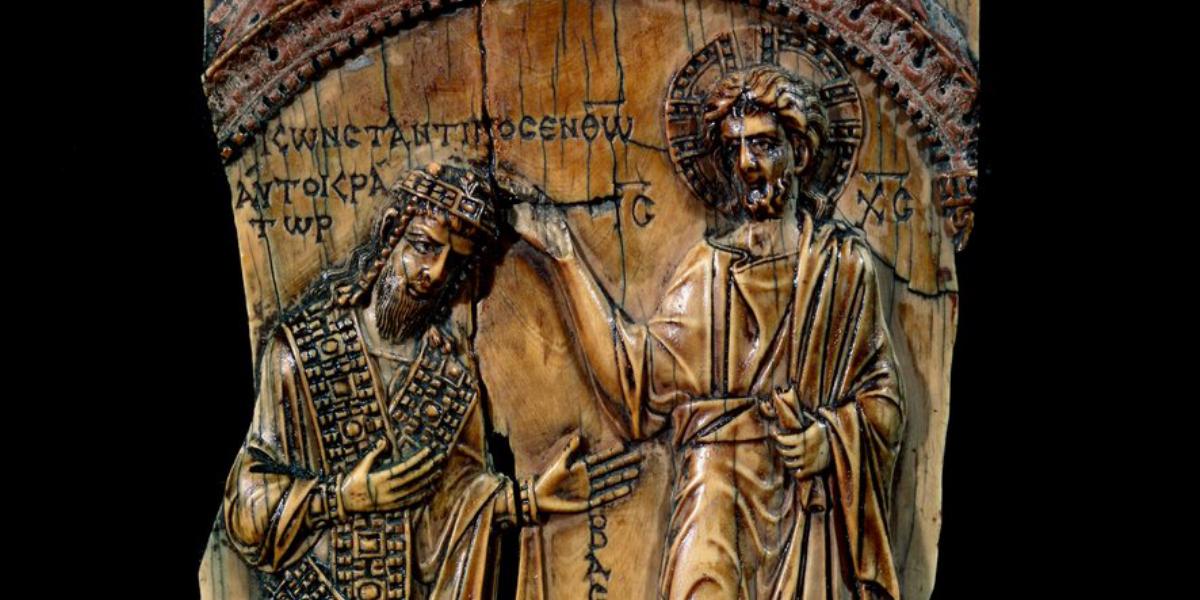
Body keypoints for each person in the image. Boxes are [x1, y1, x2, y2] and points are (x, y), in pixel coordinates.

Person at [513, 65, 904, 599]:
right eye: (734, 148)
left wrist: (830, 439)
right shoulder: (708, 270)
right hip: (714, 498)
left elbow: (884, 401)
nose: (746, 164)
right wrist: (566, 259)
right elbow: (636, 387)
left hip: (808, 514)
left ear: (799, 153)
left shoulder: (841, 270)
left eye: (763, 145)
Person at [222, 162, 641, 600]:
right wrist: (339, 497)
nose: (436, 272)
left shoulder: (449, 378)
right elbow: (245, 506)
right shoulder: (300, 351)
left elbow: (453, 504)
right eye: (423, 246)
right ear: (391, 232)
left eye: (453, 261)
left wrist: (524, 500)